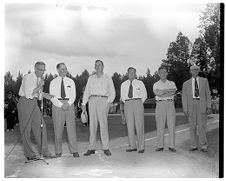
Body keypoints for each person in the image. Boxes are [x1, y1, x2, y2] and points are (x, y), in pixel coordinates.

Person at [17, 61, 54, 160]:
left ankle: (45, 152)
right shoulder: (28, 77)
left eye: (43, 70)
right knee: (26, 129)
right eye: (40, 69)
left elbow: (38, 96)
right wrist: (39, 86)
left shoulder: (39, 79)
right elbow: (29, 94)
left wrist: (46, 95)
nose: (42, 72)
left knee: (42, 126)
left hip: (33, 103)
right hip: (25, 102)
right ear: (35, 68)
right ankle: (30, 154)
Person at [82, 60, 115, 156]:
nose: (97, 67)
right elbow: (87, 91)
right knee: (92, 126)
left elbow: (112, 92)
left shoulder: (108, 78)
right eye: (95, 65)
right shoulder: (91, 78)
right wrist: (84, 103)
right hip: (92, 101)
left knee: (104, 125)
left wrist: (108, 102)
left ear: (103, 66)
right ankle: (91, 148)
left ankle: (106, 147)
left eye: (99, 65)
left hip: (103, 100)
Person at [49, 63, 79, 158]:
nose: (65, 70)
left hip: (69, 104)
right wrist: (61, 105)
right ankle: (58, 151)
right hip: (57, 105)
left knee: (71, 129)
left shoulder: (71, 81)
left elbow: (73, 95)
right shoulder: (53, 82)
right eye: (62, 69)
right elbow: (52, 97)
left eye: (65, 69)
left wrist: (68, 104)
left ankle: (74, 150)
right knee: (58, 129)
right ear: (58, 70)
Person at [182, 64, 211, 152]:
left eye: (196, 69)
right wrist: (185, 109)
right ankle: (193, 145)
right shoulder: (186, 83)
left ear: (198, 71)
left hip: (201, 104)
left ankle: (203, 145)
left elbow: (208, 95)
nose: (194, 71)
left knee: (202, 126)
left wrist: (209, 106)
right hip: (191, 105)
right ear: (190, 71)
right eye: (193, 70)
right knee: (192, 127)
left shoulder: (204, 81)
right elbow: (184, 97)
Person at [120, 67, 147, 153]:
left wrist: (138, 102)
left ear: (135, 74)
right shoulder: (123, 84)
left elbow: (144, 95)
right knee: (130, 126)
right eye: (130, 73)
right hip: (127, 104)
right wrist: (128, 103)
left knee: (139, 125)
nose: (131, 74)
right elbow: (123, 97)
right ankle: (132, 146)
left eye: (133, 73)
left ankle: (141, 147)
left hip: (138, 103)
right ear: (127, 74)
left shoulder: (140, 83)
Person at [153, 66, 177, 152]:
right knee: (160, 125)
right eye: (161, 72)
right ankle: (160, 145)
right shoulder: (156, 84)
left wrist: (163, 92)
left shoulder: (171, 83)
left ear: (167, 73)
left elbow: (173, 91)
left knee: (171, 125)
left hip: (170, 103)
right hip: (160, 104)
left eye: (164, 72)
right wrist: (167, 91)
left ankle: (172, 146)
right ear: (159, 74)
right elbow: (158, 93)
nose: (163, 74)